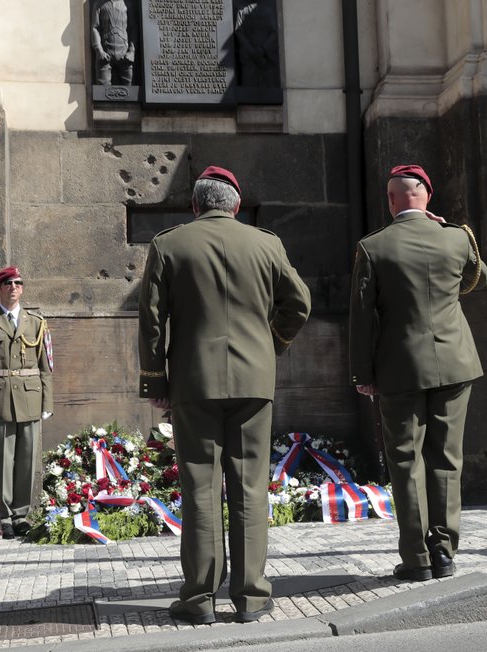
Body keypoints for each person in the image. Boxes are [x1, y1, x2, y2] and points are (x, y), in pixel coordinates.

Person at [138, 166, 311, 624]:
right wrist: (269, 344)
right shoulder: (266, 243)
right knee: (250, 487)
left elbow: (152, 322)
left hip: (194, 383)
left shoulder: (168, 244)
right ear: (235, 205)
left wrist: (156, 380)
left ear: (196, 206)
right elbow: (300, 303)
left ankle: (199, 600)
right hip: (255, 382)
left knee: (200, 487)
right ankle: (252, 597)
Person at [348, 164, 487, 582]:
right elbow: (480, 277)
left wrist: (362, 373)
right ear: (428, 196)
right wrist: (450, 235)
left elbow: (361, 319)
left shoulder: (373, 247)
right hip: (456, 362)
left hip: (399, 368)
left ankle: (416, 559)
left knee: (406, 462)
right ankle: (444, 553)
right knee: (447, 460)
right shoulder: (457, 238)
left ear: (391, 201)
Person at [0, 266, 54, 539]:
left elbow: (46, 366)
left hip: (30, 396)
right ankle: (3, 516)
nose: (13, 287)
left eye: (17, 283)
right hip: (0, 398)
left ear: (22, 288)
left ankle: (22, 514)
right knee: (3, 459)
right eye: (7, 283)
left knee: (27, 459)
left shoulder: (36, 322)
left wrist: (47, 400)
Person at [91, 0, 137, 86]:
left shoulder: (127, 4)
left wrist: (132, 51)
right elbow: (95, 28)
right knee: (102, 91)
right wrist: (99, 50)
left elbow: (132, 28)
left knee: (130, 90)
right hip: (105, 54)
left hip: (124, 55)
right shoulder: (99, 4)